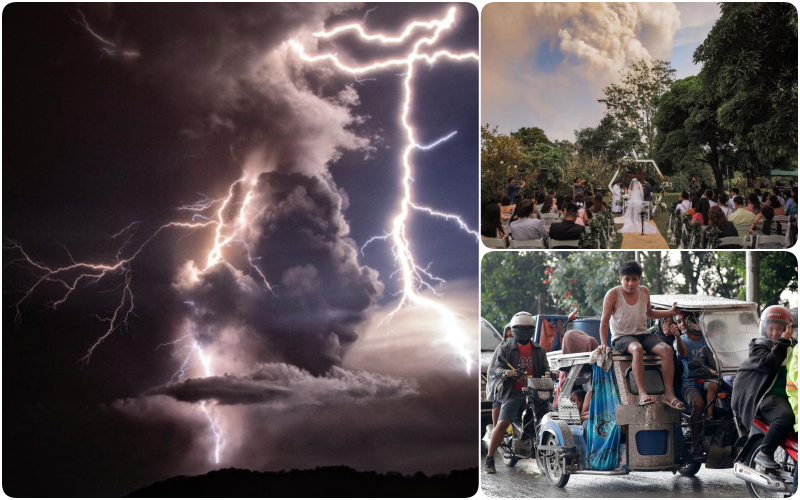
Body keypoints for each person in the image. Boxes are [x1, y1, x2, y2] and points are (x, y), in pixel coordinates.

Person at [599, 261, 684, 409]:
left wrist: (669, 312)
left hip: (643, 334)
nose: (631, 283)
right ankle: (643, 394)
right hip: (621, 337)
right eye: (627, 279)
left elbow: (649, 313)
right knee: (637, 349)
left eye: (634, 279)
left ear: (639, 279)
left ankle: (668, 394)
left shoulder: (644, 291)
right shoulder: (612, 294)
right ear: (620, 279)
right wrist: (604, 344)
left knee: (667, 350)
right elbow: (604, 321)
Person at [484, 312, 551, 474]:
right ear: (514, 330)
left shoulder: (538, 349)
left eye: (528, 328)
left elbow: (545, 367)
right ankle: (490, 458)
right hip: (513, 392)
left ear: (532, 329)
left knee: (546, 419)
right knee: (502, 424)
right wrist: (507, 373)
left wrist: (549, 373)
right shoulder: (506, 348)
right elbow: (497, 368)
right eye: (520, 328)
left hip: (535, 391)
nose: (524, 330)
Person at [731, 305, 795, 469]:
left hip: (789, 397)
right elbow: (769, 365)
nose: (774, 333)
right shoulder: (759, 346)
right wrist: (783, 341)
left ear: (788, 328)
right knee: (784, 417)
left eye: (779, 328)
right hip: (764, 397)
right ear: (763, 328)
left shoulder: (793, 348)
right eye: (770, 328)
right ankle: (765, 453)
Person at [673, 311, 714, 456]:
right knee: (698, 403)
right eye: (679, 321)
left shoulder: (707, 338)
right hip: (691, 383)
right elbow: (682, 354)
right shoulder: (680, 340)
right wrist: (677, 336)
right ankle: (695, 442)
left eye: (685, 320)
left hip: (710, 380)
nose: (682, 323)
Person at [490, 324, 515, 431]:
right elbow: (495, 369)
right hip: (501, 379)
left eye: (512, 335)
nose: (509, 337)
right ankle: (496, 428)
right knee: (502, 391)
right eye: (507, 335)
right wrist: (506, 373)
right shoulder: (501, 349)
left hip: (520, 379)